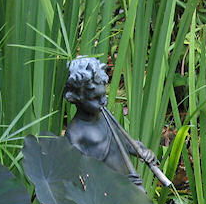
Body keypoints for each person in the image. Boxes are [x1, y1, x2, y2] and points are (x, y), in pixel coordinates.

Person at [64, 57, 157, 189]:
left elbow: (124, 142)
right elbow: (79, 178)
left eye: (104, 95)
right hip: (107, 197)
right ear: (77, 97)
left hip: (130, 189)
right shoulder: (75, 134)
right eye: (95, 98)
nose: (103, 101)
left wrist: (142, 151)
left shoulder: (105, 117)